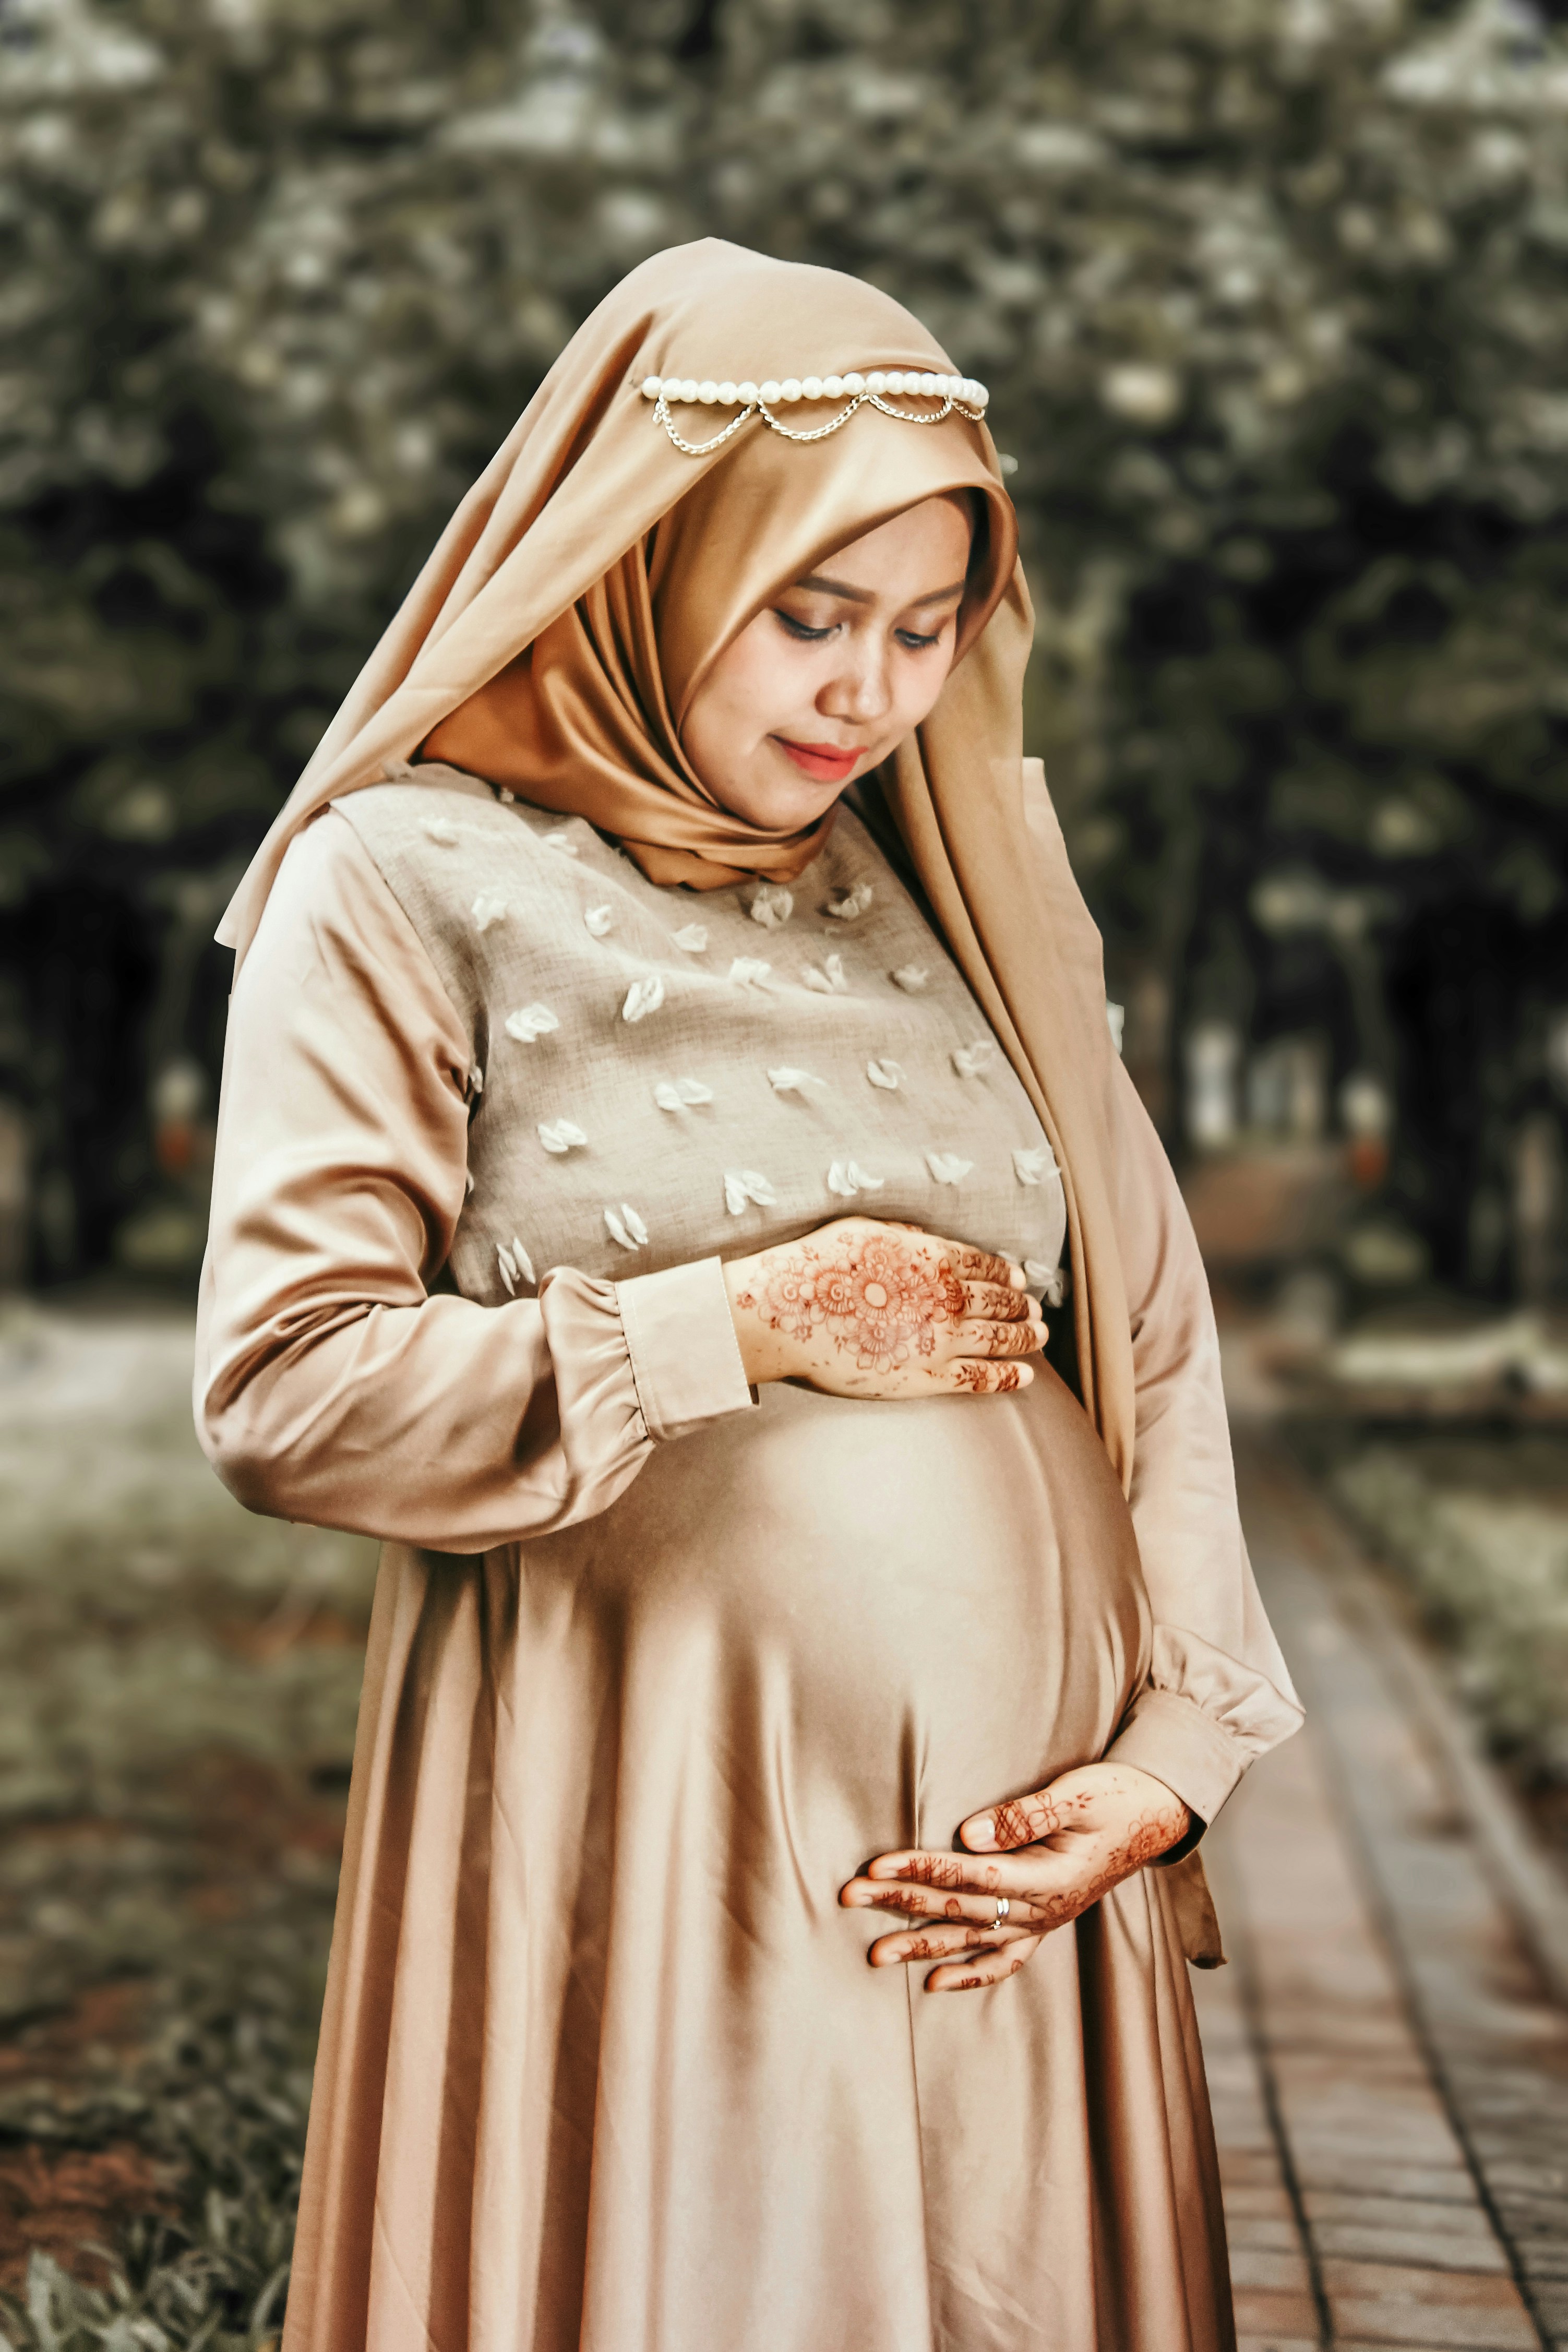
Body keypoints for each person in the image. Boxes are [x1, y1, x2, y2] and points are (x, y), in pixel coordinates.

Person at [197, 239, 1302, 2352]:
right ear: (642, 561)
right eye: (805, 615)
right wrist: (743, 1317)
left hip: (1024, 1889)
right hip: (653, 1832)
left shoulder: (945, 866)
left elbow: (1142, 1329)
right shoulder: (402, 880)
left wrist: (1168, 1758)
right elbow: (285, 1387)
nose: (864, 694)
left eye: (919, 628)